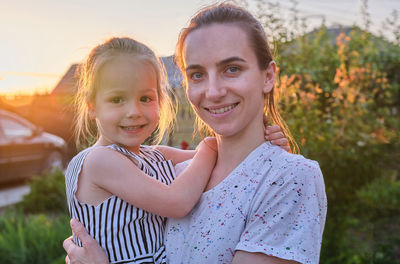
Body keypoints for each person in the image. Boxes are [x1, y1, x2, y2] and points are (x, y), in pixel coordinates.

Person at [63, 3, 327, 264]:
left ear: (268, 76)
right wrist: (212, 149)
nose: (213, 91)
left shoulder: (288, 176)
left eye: (232, 69)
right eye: (197, 74)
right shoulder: (178, 175)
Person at [64, 36, 222, 264]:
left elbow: (225, 158)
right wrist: (209, 145)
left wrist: (266, 145)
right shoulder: (98, 160)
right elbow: (175, 202)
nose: (134, 111)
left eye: (146, 98)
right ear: (92, 106)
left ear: (159, 101)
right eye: (117, 99)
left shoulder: (155, 155)